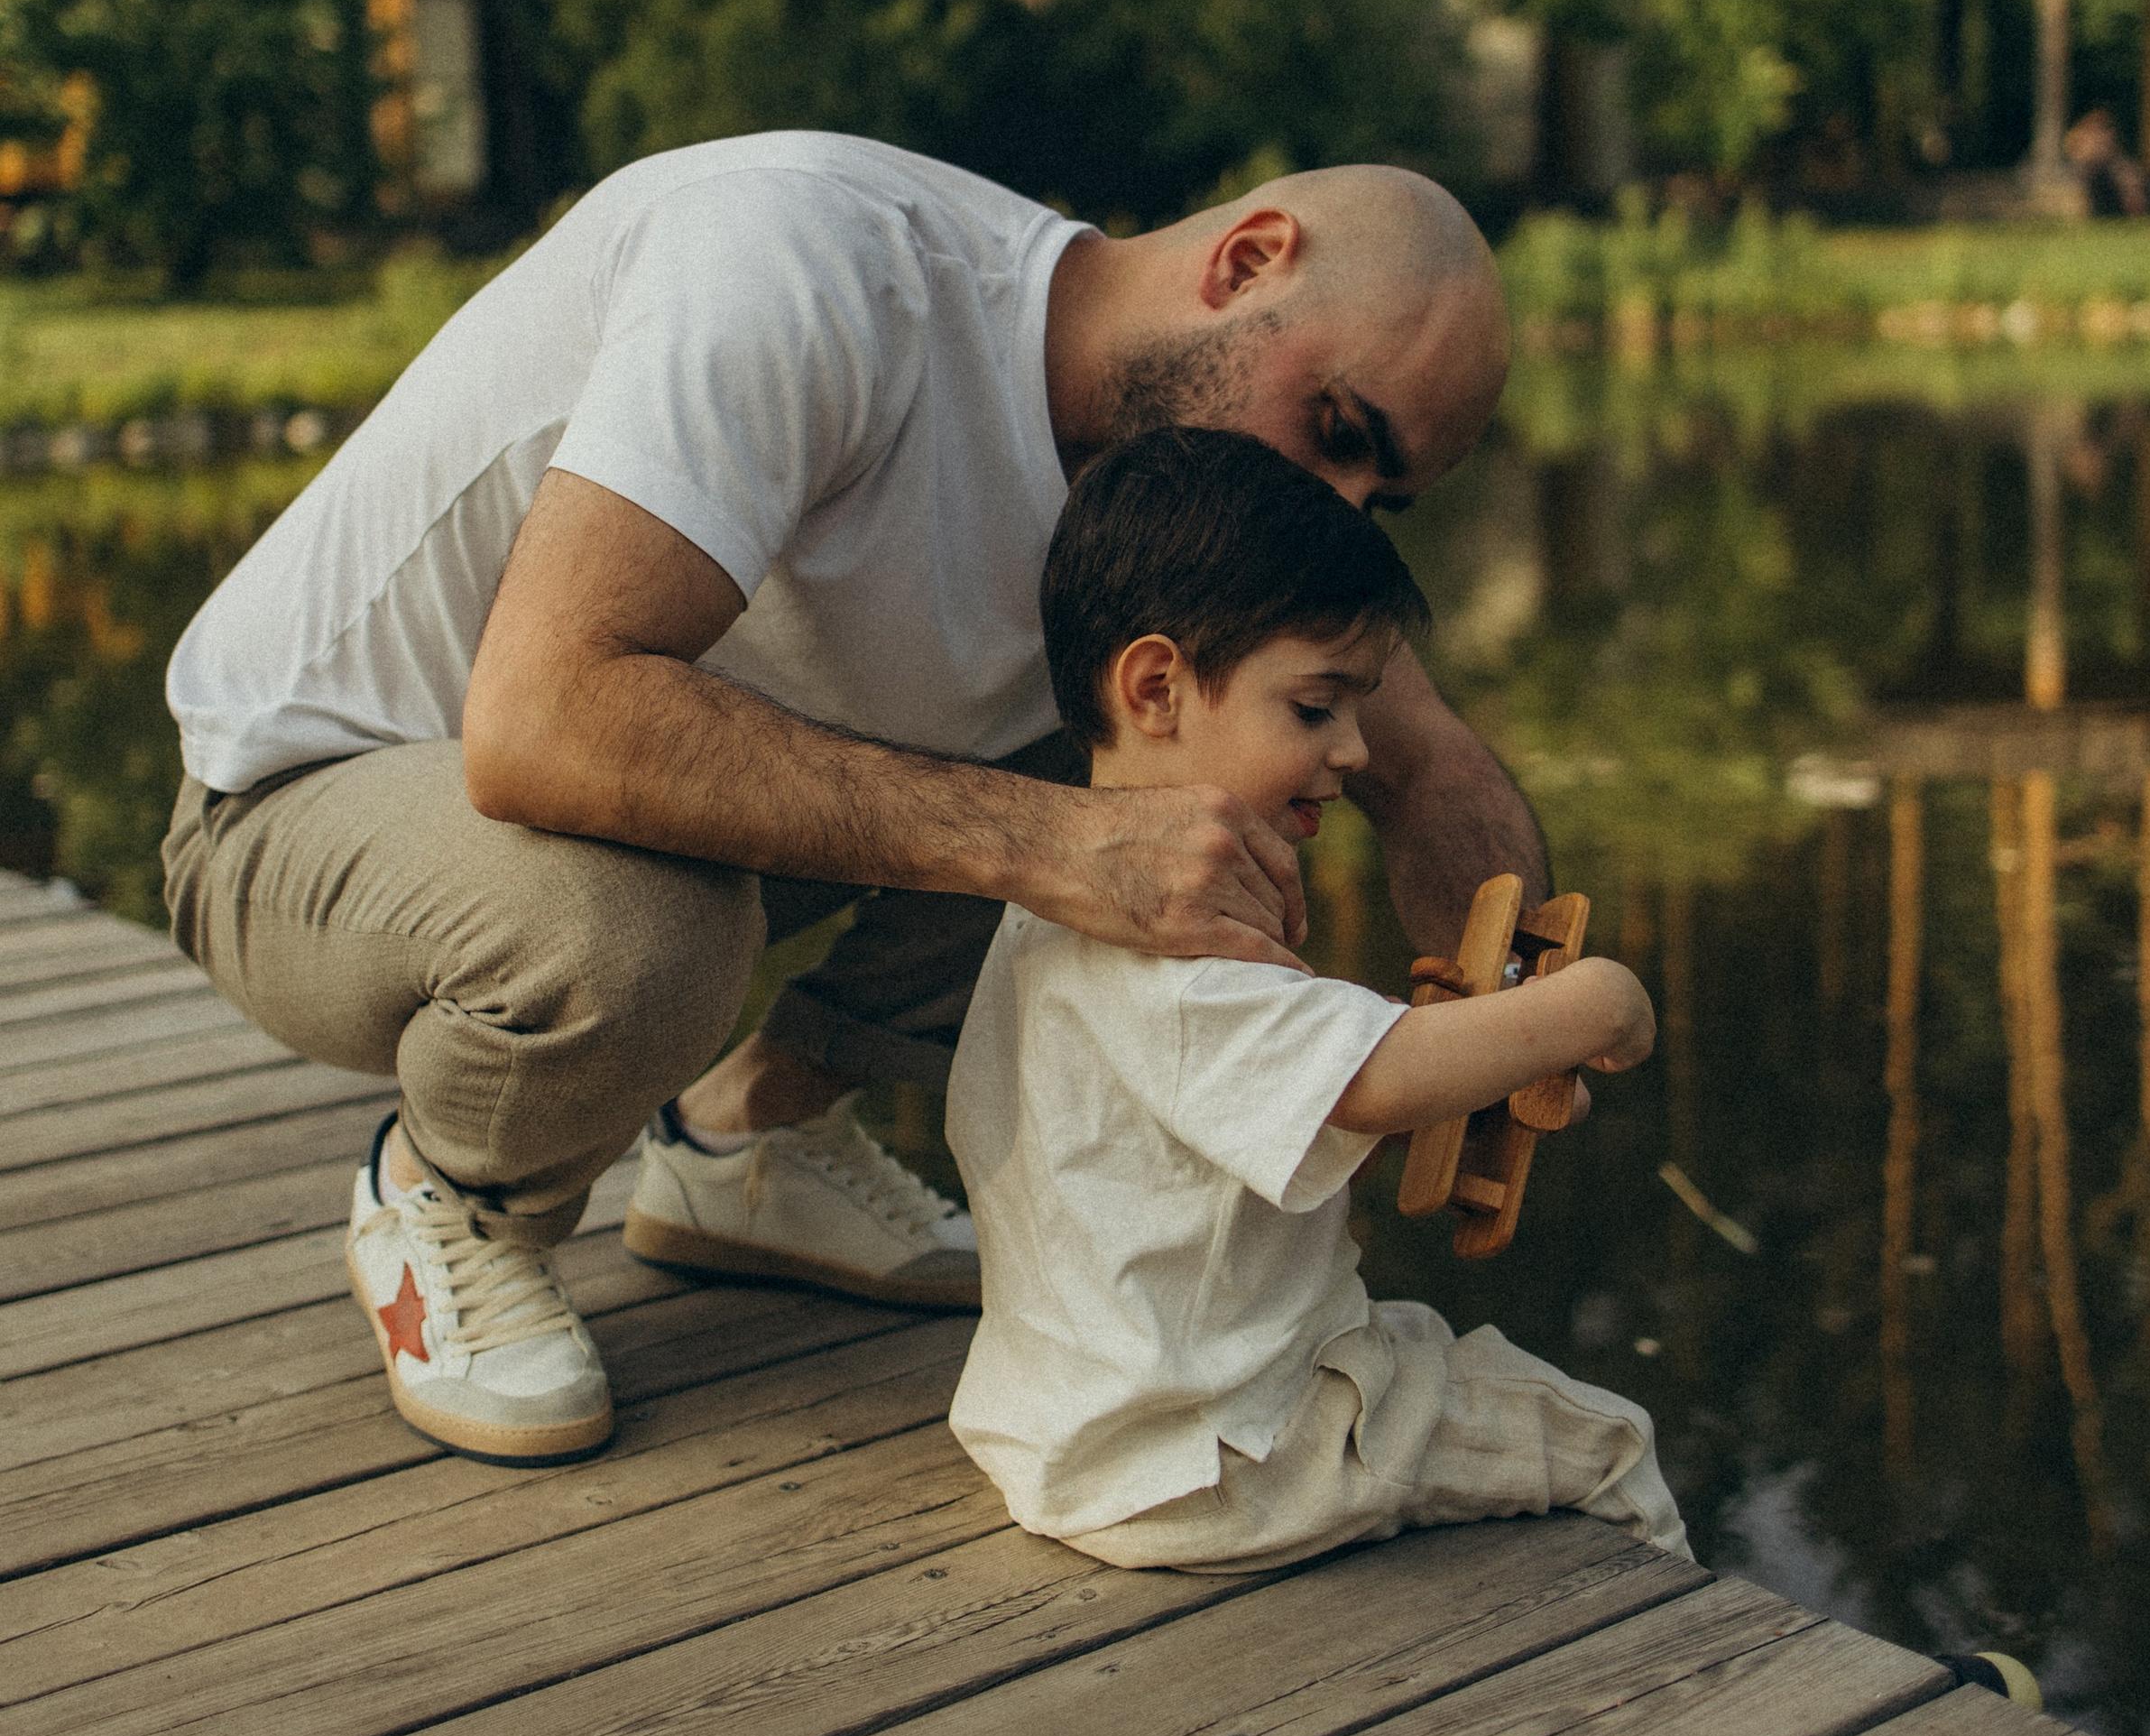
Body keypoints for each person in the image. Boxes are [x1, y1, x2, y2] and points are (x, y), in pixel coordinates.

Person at [161, 136, 1544, 1465]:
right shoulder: (804, 264)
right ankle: (450, 1194)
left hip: (617, 802)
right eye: (1338, 432)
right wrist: (1059, 844)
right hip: (300, 805)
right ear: (1246, 263)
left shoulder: (1196, 498)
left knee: (1204, 739)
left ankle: (750, 1140)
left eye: (1378, 499)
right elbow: (540, 723)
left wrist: (1517, 1003)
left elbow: (1425, 766)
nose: (1332, 504)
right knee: (648, 930)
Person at [945, 428, 1688, 1573]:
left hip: (1085, 1426)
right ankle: (1721, 1670)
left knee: (1439, 1355)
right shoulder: (1183, 960)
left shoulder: (1052, 907)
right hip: (1229, 1452)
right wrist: (1596, 1004)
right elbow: (1369, 1083)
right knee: (1605, 1443)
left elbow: (1259, 1132)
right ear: (1155, 688)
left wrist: (1481, 1071)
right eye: (1313, 708)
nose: (1352, 751)